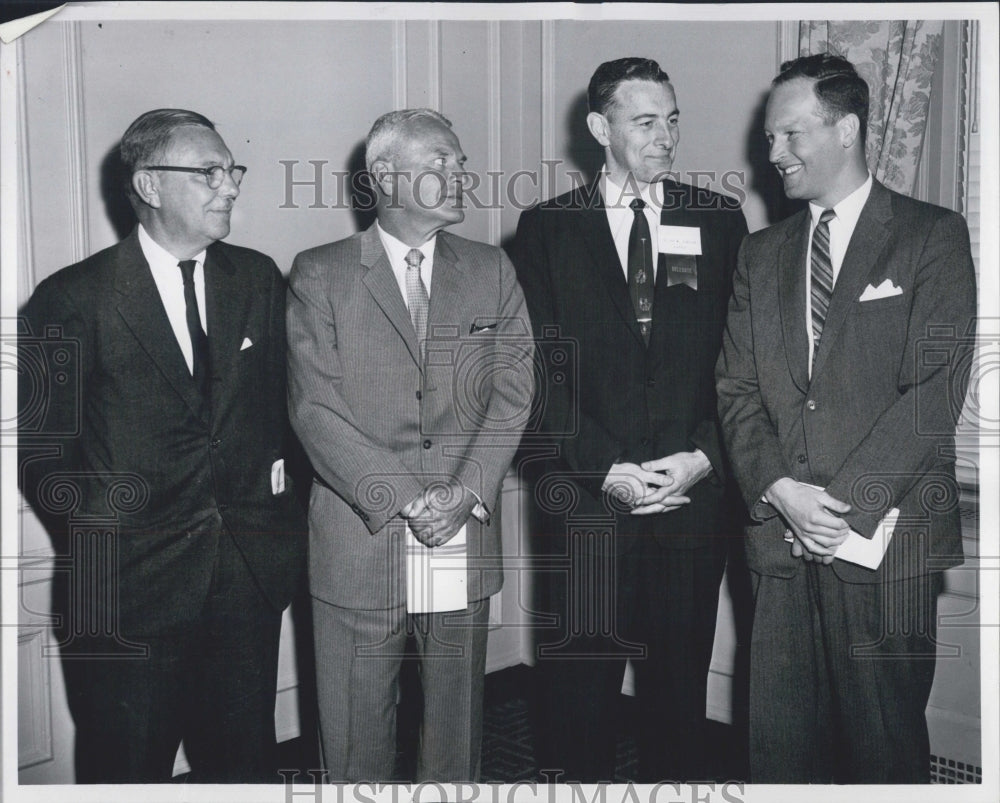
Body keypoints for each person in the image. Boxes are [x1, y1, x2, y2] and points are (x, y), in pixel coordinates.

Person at [17, 109, 307, 783]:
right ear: (148, 185)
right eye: (209, 172)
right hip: (125, 597)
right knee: (127, 773)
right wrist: (113, 533)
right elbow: (41, 456)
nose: (229, 186)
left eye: (231, 170)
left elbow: (285, 420)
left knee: (243, 770)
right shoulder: (72, 299)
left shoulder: (256, 279)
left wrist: (275, 536)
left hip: (243, 588)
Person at [715, 54, 977, 783]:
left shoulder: (933, 235)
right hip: (780, 542)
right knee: (780, 754)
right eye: (770, 138)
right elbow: (735, 387)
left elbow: (934, 389)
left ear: (848, 127)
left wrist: (843, 509)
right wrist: (781, 491)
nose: (773, 154)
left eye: (790, 135)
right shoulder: (760, 255)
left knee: (881, 754)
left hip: (884, 547)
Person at [506, 58, 748, 782]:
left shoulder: (719, 219)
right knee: (576, 704)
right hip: (586, 503)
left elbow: (741, 362)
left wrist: (703, 456)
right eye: (645, 121)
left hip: (689, 504)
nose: (665, 136)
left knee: (680, 704)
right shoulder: (547, 229)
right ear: (598, 128)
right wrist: (602, 465)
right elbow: (534, 373)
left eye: (672, 119)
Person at [286, 108, 534, 782]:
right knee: (356, 731)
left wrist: (464, 493)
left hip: (461, 529)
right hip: (360, 539)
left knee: (455, 732)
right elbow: (315, 409)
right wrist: (407, 499)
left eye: (460, 160)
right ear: (386, 175)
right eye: (442, 161)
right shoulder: (319, 274)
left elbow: (514, 393)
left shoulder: (491, 269)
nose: (462, 173)